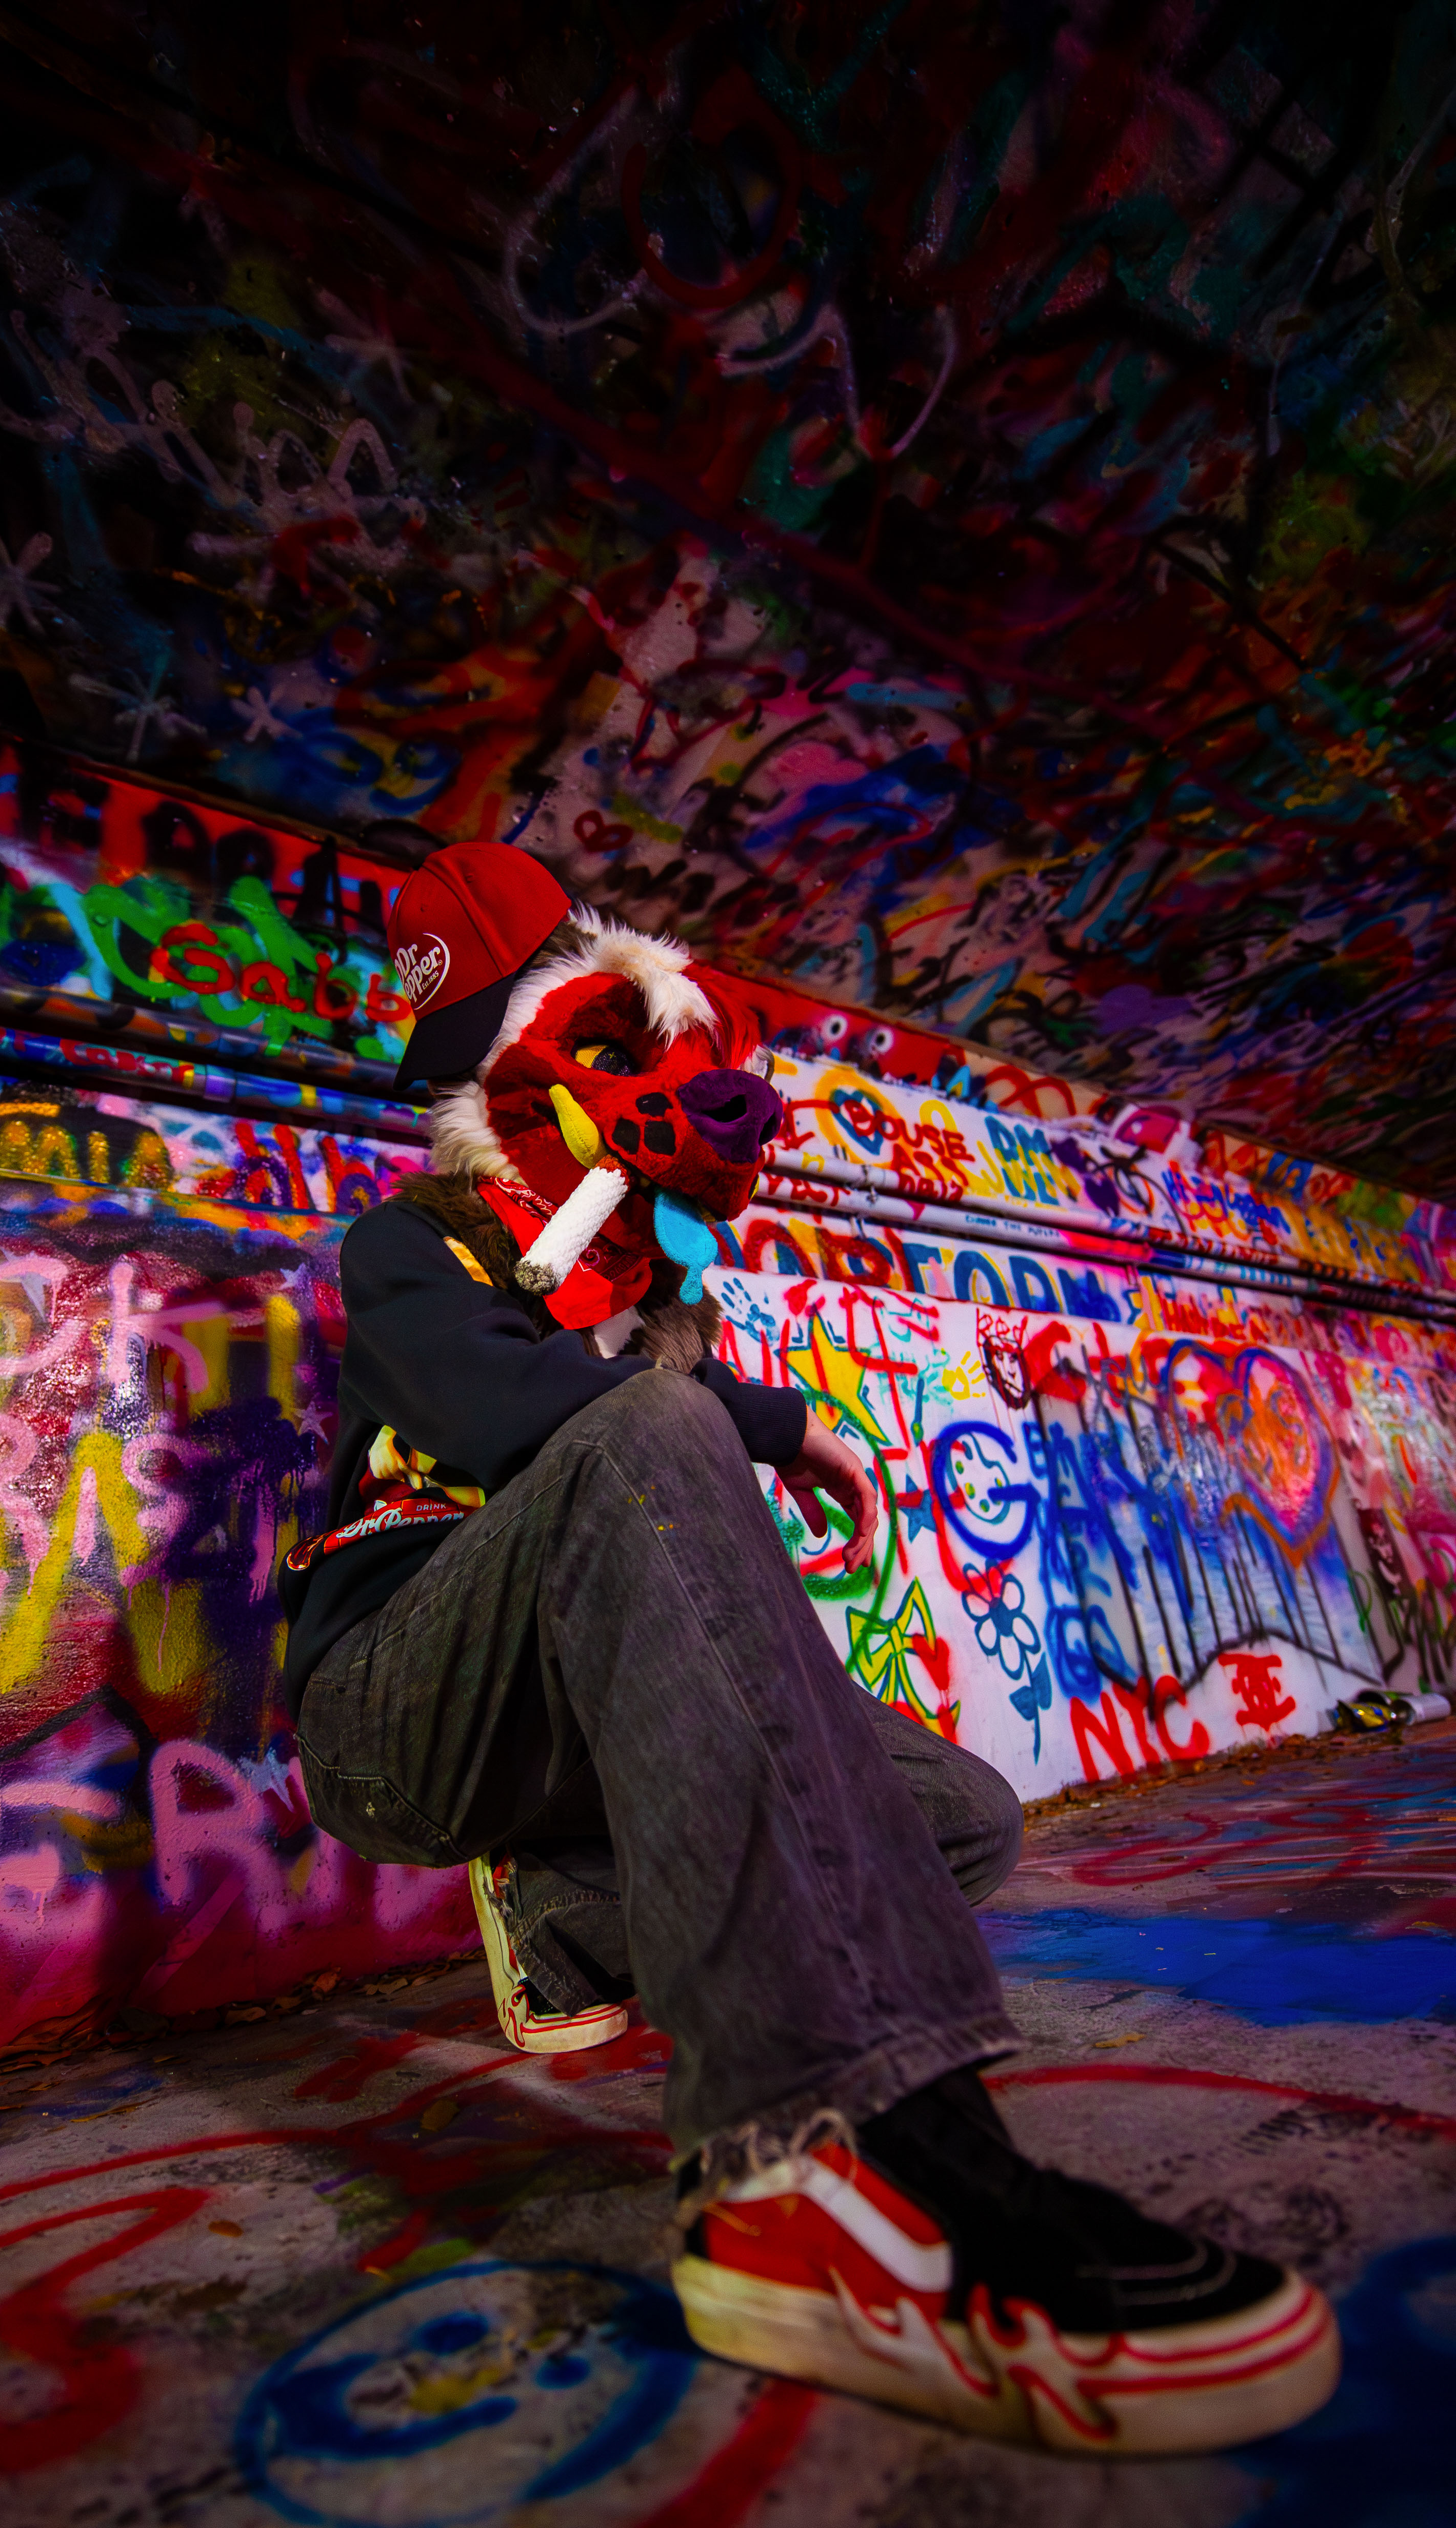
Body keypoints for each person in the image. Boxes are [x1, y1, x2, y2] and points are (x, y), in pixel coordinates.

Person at [280, 841, 1339, 2455]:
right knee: (649, 1437)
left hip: (564, 1705)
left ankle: (562, 1898)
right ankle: (827, 2158)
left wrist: (700, 1357)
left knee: (954, 1819)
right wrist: (767, 1420)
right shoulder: (413, 1247)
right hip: (398, 1703)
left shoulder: (659, 1311)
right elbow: (506, 1417)